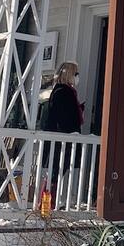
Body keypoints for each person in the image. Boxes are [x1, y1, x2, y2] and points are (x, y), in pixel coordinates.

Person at [38, 61, 84, 197]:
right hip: (62, 140)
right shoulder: (64, 92)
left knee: (56, 173)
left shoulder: (60, 91)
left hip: (61, 139)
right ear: (69, 74)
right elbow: (63, 116)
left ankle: (48, 200)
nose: (77, 77)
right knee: (55, 173)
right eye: (76, 74)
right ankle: (47, 201)